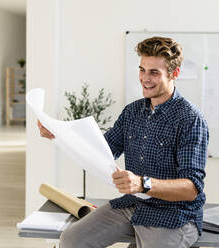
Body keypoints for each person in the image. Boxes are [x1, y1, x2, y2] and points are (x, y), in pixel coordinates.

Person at [37, 36, 209, 248]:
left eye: (154, 72)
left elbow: (192, 188)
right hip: (133, 204)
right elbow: (101, 150)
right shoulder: (133, 112)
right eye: (142, 70)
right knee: (71, 240)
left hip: (174, 214)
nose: (145, 78)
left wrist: (142, 183)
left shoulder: (190, 119)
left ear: (174, 74)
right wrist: (59, 135)